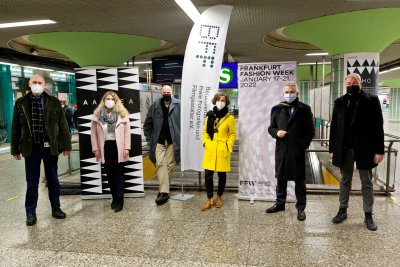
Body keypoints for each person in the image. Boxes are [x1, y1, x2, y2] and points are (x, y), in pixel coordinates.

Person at [11, 74, 71, 226]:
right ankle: (30, 213)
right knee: (32, 181)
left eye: (40, 83)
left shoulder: (54, 102)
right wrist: (15, 150)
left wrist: (66, 145)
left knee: (53, 179)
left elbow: (63, 125)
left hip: (50, 146)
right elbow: (15, 127)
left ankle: (56, 208)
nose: (37, 85)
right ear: (29, 85)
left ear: (45, 85)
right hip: (31, 147)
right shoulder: (21, 103)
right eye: (34, 82)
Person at [329, 73, 384, 231]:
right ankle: (342, 210)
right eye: (348, 83)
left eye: (354, 83)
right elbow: (334, 128)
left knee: (366, 182)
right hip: (344, 149)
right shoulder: (339, 102)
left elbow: (377, 127)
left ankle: (368, 214)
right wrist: (332, 148)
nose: (351, 85)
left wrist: (379, 150)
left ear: (361, 83)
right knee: (345, 180)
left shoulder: (371, 100)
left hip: (365, 149)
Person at [266, 82, 315, 221]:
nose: (289, 94)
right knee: (281, 179)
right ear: (283, 94)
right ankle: (280, 203)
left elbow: (310, 131)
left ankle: (301, 208)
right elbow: (271, 128)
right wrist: (277, 133)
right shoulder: (277, 109)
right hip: (282, 150)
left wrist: (301, 145)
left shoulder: (305, 109)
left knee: (299, 181)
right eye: (286, 92)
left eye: (291, 92)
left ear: (297, 93)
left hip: (297, 151)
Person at [91, 91, 131, 212]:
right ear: (103, 101)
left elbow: (127, 132)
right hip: (105, 148)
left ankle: (120, 199)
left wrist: (126, 147)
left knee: (119, 174)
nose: (109, 101)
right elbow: (93, 133)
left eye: (112, 99)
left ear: (116, 101)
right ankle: (114, 198)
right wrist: (96, 149)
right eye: (107, 98)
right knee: (109, 174)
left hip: (118, 147)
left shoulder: (122, 114)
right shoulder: (97, 115)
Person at [143, 85, 180, 205]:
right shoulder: (155, 106)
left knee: (169, 165)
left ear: (172, 92)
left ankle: (163, 190)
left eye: (168, 92)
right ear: (161, 93)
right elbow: (147, 124)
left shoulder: (179, 105)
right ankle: (164, 193)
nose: (166, 94)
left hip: (173, 141)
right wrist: (149, 139)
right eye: (164, 92)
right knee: (160, 163)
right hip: (158, 141)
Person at [201, 92, 236, 211]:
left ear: (226, 102)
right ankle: (210, 198)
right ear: (215, 101)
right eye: (219, 100)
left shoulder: (229, 117)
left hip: (222, 148)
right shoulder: (209, 115)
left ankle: (219, 197)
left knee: (222, 175)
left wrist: (228, 145)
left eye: (223, 100)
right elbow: (205, 131)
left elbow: (232, 134)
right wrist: (205, 142)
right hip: (210, 148)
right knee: (208, 175)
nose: (221, 102)